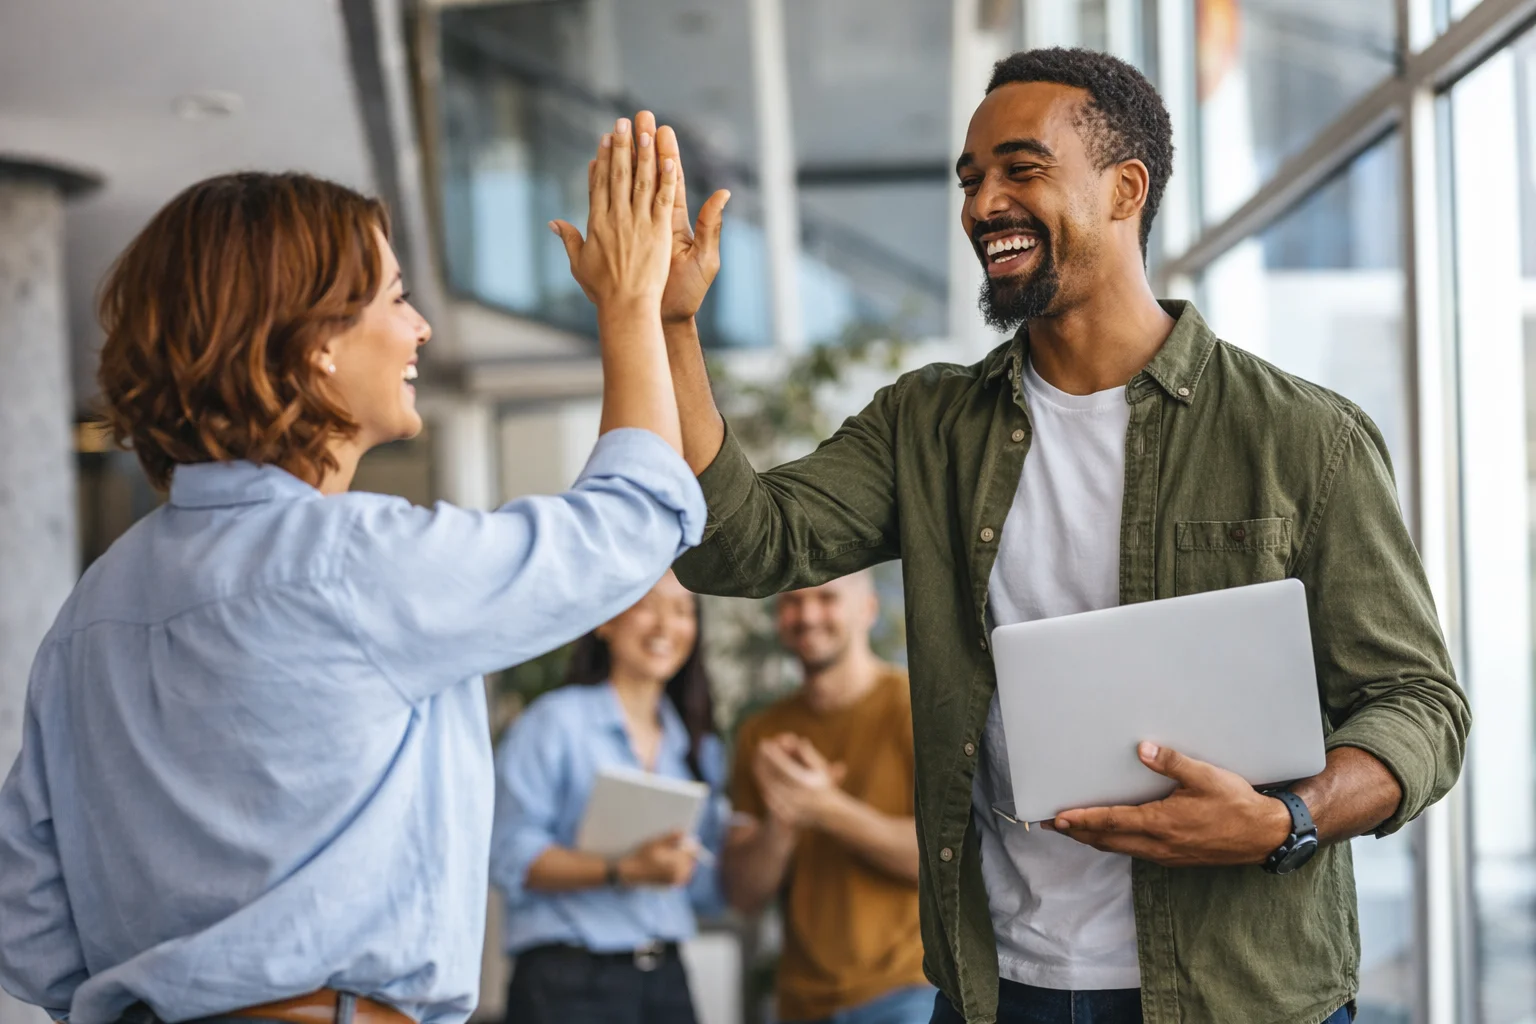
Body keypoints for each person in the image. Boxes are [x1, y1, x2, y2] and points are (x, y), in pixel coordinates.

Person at [628, 48, 1470, 1024]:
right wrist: (675, 329)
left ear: (1125, 188)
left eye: (1021, 169)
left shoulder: (1302, 437)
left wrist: (1285, 819)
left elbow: (1418, 705)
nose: (984, 201)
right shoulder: (926, 427)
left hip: (1241, 993)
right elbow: (738, 542)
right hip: (1003, 991)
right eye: (972, 178)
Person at [0, 112, 696, 1024]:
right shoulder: (353, 564)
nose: (420, 329)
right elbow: (633, 525)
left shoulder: (95, 604)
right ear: (314, 342)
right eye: (396, 297)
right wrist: (633, 306)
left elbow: (28, 924)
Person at [490, 571, 724, 1024]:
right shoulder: (552, 724)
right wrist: (626, 869)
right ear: (606, 620)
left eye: (681, 611)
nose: (664, 627)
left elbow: (708, 892)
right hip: (567, 981)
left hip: (666, 979)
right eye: (647, 605)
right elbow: (508, 854)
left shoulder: (697, 748)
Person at [723, 573, 930, 1024]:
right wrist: (783, 817)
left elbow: (946, 863)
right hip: (801, 1002)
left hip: (908, 993)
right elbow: (743, 894)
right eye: (793, 602)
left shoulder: (915, 707)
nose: (808, 615)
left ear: (868, 609)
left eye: (826, 597)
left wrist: (825, 806)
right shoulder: (760, 734)